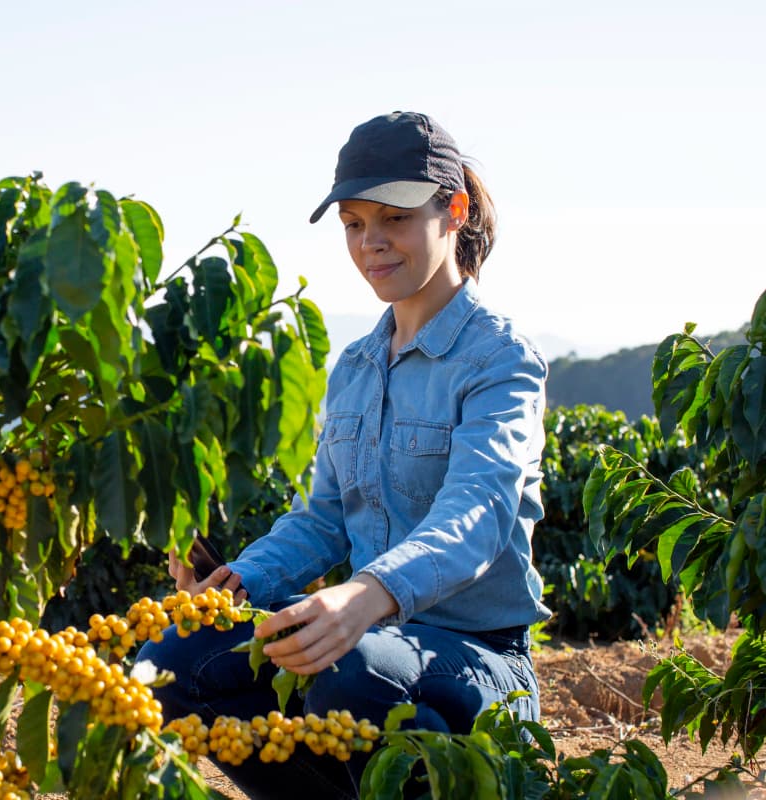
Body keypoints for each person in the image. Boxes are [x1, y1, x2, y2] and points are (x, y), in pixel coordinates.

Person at [135, 111, 550, 799]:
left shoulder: (499, 360)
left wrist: (366, 597)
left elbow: (476, 514)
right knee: (174, 657)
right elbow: (325, 518)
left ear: (453, 211)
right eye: (354, 224)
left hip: (482, 667)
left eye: (392, 218)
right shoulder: (356, 366)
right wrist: (238, 581)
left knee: (350, 672)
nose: (371, 243)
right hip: (367, 643)